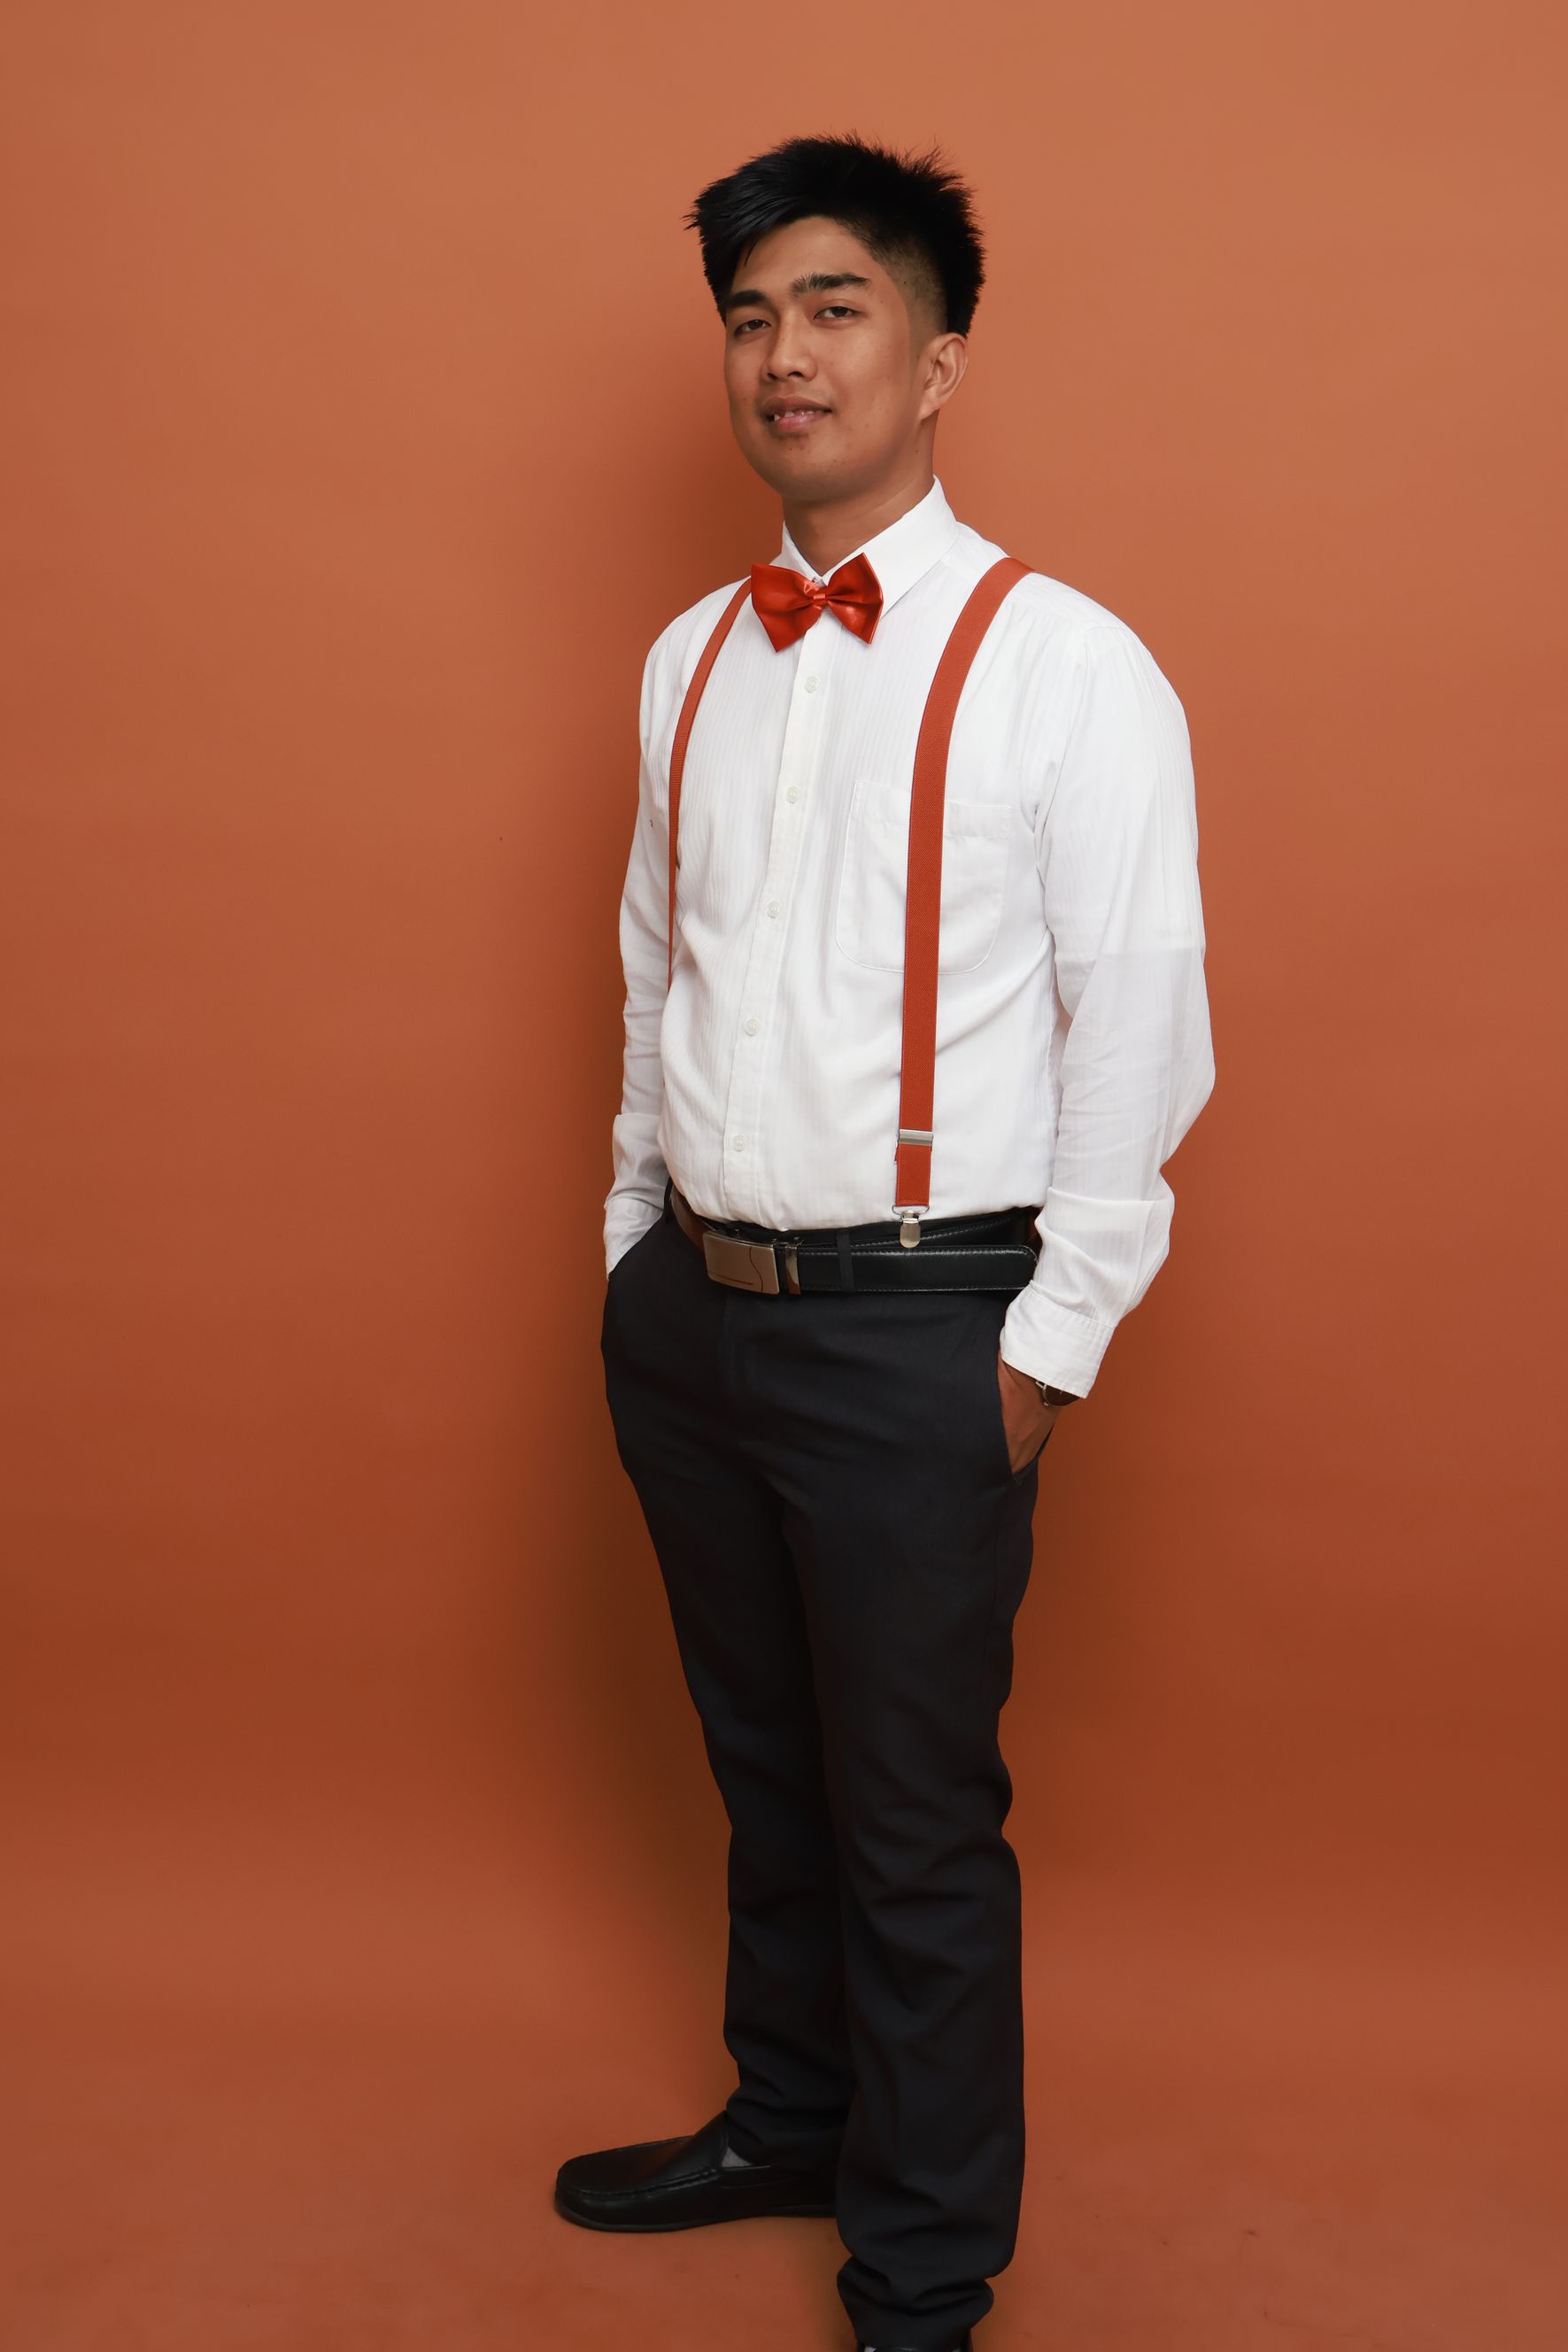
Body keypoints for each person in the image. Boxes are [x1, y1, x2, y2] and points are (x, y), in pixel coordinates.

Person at [554, 133, 1216, 2352]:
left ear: (938, 360)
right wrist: (632, 1244)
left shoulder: (1071, 665)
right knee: (765, 1770)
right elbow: (656, 967)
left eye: (834, 306)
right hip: (697, 1313)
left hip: (928, 1324)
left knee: (912, 1809)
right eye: (750, 315)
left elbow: (1144, 1023)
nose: (784, 353)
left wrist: (1046, 1345)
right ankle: (790, 2112)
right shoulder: (686, 659)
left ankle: (923, 2264)